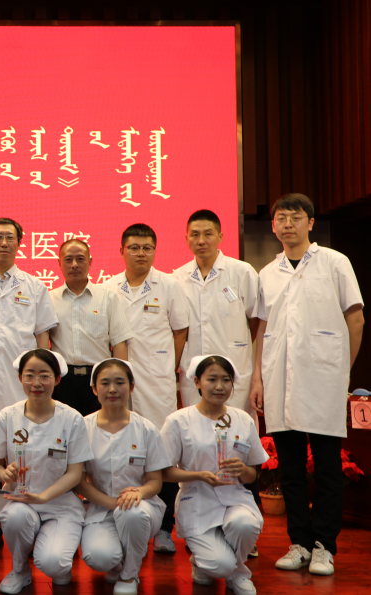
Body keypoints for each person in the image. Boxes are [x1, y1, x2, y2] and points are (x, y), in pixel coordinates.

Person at [250, 193, 364, 576]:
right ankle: (298, 543)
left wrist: (342, 372)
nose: (288, 224)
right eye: (281, 218)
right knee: (291, 470)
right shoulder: (267, 273)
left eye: (295, 217)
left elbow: (356, 319)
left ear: (311, 223)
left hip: (324, 380)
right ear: (273, 226)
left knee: (328, 468)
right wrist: (258, 378)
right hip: (280, 381)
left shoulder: (334, 262)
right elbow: (262, 330)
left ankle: (324, 547)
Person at [0, 217, 58, 551]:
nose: (4, 243)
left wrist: (43, 381)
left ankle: (26, 520)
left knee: (23, 448)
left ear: (20, 243)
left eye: (10, 237)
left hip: (24, 385)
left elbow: (42, 338)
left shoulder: (35, 287)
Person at [107, 223, 189, 555]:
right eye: (134, 247)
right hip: (119, 383)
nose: (141, 253)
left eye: (147, 248)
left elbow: (180, 331)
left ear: (155, 251)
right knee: (124, 450)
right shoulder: (108, 287)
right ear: (122, 250)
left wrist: (168, 366)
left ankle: (166, 528)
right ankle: (123, 520)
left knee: (161, 452)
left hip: (157, 381)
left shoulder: (169, 285)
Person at [161, 355, 268, 595]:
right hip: (197, 499)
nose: (219, 386)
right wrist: (197, 475)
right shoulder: (178, 421)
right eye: (212, 379)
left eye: (226, 380)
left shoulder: (242, 419)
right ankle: (202, 562)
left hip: (235, 496)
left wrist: (243, 470)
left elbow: (252, 474)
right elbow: (164, 472)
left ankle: (239, 574)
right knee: (219, 564)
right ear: (197, 382)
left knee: (244, 523)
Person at [0, 349, 93, 593]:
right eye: (29, 375)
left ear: (57, 379)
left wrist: (43, 497)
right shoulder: (7, 417)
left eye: (44, 376)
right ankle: (19, 570)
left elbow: (75, 473)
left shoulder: (72, 419)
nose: (36, 383)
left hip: (61, 503)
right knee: (15, 518)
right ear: (20, 378)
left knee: (54, 565)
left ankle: (57, 561)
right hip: (20, 500)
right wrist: (3, 474)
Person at [75, 359, 170, 595]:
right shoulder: (82, 428)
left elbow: (155, 482)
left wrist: (139, 493)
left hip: (141, 507)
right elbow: (79, 482)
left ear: (132, 387)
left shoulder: (146, 429)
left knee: (131, 513)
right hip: (101, 507)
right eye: (105, 383)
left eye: (120, 383)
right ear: (94, 389)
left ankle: (129, 574)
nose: (112, 389)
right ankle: (118, 562)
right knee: (99, 557)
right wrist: (112, 503)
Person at [175, 210, 260, 413]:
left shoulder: (241, 271)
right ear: (186, 239)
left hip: (233, 365)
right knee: (196, 424)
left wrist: (237, 345)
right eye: (195, 235)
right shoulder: (177, 278)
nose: (201, 241)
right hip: (194, 368)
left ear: (220, 236)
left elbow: (255, 319)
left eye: (208, 234)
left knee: (235, 423)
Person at [49, 238, 133, 417]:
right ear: (59, 263)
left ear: (90, 262)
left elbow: (119, 343)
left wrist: (120, 381)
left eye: (80, 259)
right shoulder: (49, 299)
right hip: (62, 381)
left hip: (99, 379)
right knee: (64, 431)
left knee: (100, 429)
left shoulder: (107, 298)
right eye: (68, 259)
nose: (74, 265)